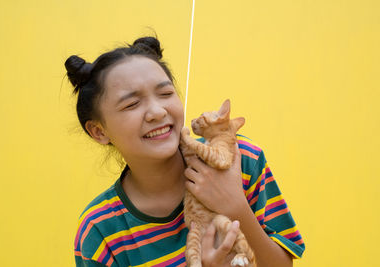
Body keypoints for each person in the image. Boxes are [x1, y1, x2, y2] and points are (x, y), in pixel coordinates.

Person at [65, 36, 305, 267]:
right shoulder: (100, 231)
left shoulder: (240, 160)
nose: (157, 111)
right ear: (99, 131)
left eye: (166, 93)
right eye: (132, 104)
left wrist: (235, 205)